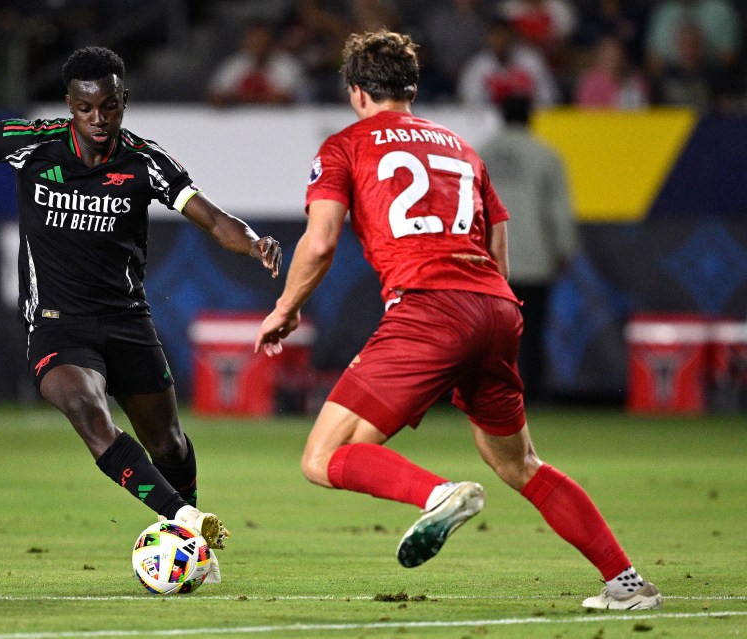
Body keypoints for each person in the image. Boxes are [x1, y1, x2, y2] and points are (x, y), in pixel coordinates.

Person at [255, 29, 662, 610]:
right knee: (520, 462)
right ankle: (627, 583)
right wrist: (479, 321)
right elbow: (498, 246)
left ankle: (440, 494)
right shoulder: (462, 148)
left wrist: (285, 308)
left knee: (322, 458)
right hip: (495, 306)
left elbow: (320, 243)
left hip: (428, 306)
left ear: (355, 92)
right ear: (412, 89)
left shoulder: (343, 146)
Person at [0, 46, 282, 578]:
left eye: (109, 106)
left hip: (128, 321)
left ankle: (188, 529)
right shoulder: (33, 145)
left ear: (122, 101)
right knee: (89, 412)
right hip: (58, 324)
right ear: (70, 105)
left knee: (169, 444)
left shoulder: (145, 161)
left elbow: (214, 218)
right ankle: (188, 519)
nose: (98, 119)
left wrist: (253, 243)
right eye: (86, 108)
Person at [478, 94, 578, 403]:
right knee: (531, 332)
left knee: (490, 334)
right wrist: (566, 250)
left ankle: (487, 395)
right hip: (535, 259)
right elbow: (558, 209)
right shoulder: (546, 155)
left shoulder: (481, 154)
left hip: (490, 261)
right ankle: (530, 395)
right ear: (530, 118)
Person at [207, 20, 307, 106]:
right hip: (240, 122)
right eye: (253, 40)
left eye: (262, 40)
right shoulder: (234, 64)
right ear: (245, 42)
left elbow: (285, 100)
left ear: (271, 41)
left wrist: (239, 98)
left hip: (281, 123)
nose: (258, 45)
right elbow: (216, 98)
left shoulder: (288, 65)